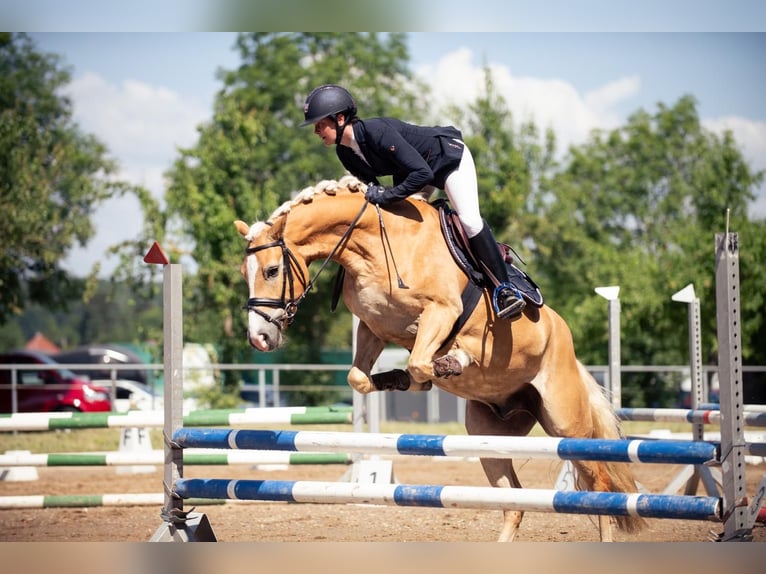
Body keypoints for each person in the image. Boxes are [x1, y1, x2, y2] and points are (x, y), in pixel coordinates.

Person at [300, 84, 525, 320]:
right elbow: (373, 188)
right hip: (414, 172)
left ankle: (505, 289)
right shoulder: (344, 152)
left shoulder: (376, 131)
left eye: (319, 124)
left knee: (469, 219)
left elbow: (423, 174)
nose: (316, 131)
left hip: (446, 159)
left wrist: (386, 195)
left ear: (341, 118)